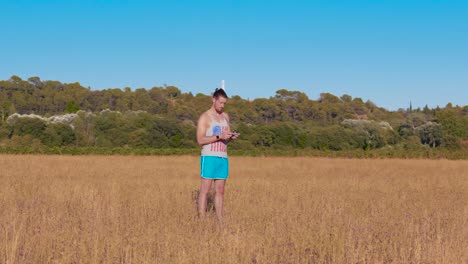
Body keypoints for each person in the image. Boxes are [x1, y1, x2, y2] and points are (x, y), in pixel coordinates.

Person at [196, 88, 239, 222]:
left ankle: (220, 221)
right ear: (213, 99)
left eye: (224, 103)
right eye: (220, 102)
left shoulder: (225, 117)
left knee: (220, 190)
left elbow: (224, 139)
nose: (222, 106)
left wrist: (230, 138)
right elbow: (200, 140)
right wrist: (219, 135)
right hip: (209, 157)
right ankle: (202, 220)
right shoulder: (205, 117)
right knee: (205, 190)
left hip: (223, 157)